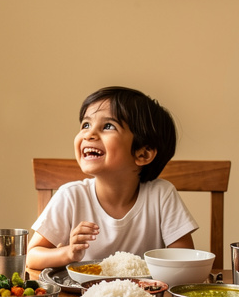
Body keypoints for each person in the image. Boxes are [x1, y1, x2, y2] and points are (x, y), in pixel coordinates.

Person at [26, 86, 196, 270]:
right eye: (86, 124)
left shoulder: (161, 195)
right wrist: (69, 252)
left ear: (142, 154)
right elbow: (33, 256)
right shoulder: (71, 196)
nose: (89, 134)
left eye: (108, 126)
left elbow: (184, 262)